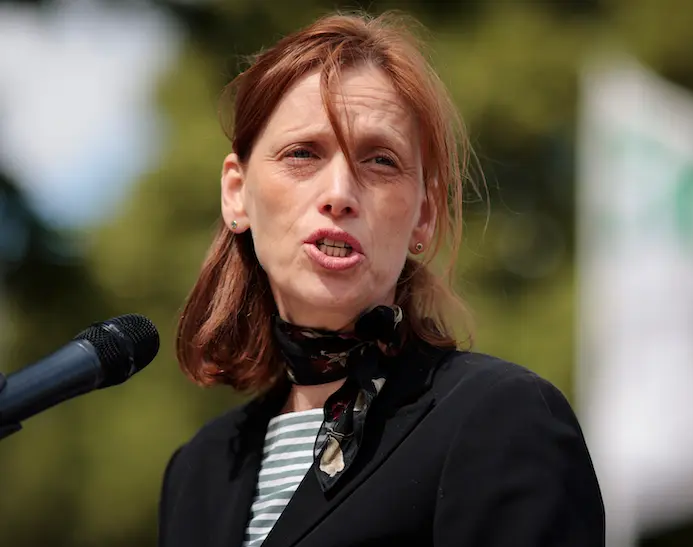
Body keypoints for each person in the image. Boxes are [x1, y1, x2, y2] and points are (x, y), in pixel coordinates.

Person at [158, 11, 604, 547]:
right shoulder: (197, 472)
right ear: (237, 193)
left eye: (380, 161)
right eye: (303, 153)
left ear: (423, 214)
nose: (339, 193)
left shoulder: (502, 419)